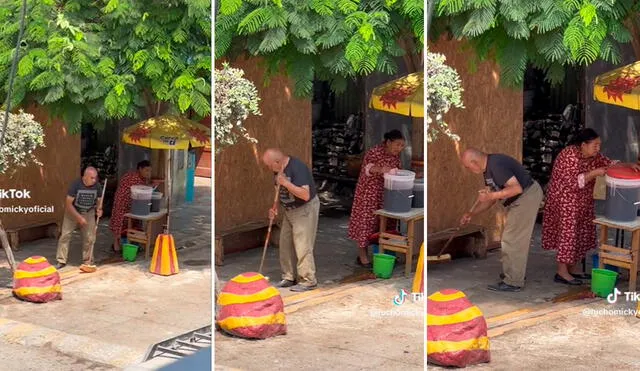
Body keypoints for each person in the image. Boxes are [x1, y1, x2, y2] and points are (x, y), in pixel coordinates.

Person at [542, 128, 640, 285]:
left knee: (580, 234)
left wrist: (629, 165)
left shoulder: (594, 156)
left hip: (583, 201)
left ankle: (573, 268)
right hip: (565, 202)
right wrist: (595, 173)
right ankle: (561, 272)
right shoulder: (569, 156)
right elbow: (573, 182)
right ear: (583, 145)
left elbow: (609, 164)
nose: (598, 148)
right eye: (595, 145)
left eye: (599, 145)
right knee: (568, 235)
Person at [460, 148, 543, 292]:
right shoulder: (488, 170)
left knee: (513, 239)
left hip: (526, 197)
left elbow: (516, 189)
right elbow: (492, 198)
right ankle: (512, 274)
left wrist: (490, 196)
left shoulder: (496, 165)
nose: (468, 169)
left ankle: (514, 281)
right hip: (521, 199)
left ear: (474, 162)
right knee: (511, 238)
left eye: (468, 166)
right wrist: (472, 213)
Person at [262, 148, 320, 292]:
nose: (269, 168)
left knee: (303, 245)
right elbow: (278, 190)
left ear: (277, 162)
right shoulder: (277, 170)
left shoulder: (297, 168)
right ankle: (288, 276)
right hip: (289, 210)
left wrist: (286, 183)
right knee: (285, 243)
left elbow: (305, 195)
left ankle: (308, 280)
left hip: (305, 209)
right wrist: (274, 207)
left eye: (269, 165)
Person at [348, 130, 405, 267]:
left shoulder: (395, 157)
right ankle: (362, 257)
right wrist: (382, 169)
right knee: (366, 224)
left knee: (386, 224)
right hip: (369, 194)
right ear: (388, 142)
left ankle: (385, 255)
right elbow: (369, 168)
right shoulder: (374, 152)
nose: (400, 148)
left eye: (402, 146)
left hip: (387, 194)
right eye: (397, 144)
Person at [56, 167, 103, 269]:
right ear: (85, 177)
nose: (94, 180)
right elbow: (68, 204)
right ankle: (61, 260)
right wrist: (79, 218)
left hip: (88, 212)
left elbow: (99, 200)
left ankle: (88, 260)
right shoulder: (75, 185)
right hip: (72, 212)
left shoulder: (97, 186)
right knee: (65, 235)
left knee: (90, 237)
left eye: (95, 178)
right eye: (92, 178)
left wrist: (99, 209)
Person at [109, 160, 152, 252]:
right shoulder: (133, 177)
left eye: (150, 171)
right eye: (146, 170)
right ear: (140, 169)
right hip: (122, 202)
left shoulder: (142, 178)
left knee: (132, 223)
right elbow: (143, 189)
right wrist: (152, 185)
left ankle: (131, 243)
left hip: (132, 203)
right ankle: (116, 245)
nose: (148, 173)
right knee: (120, 222)